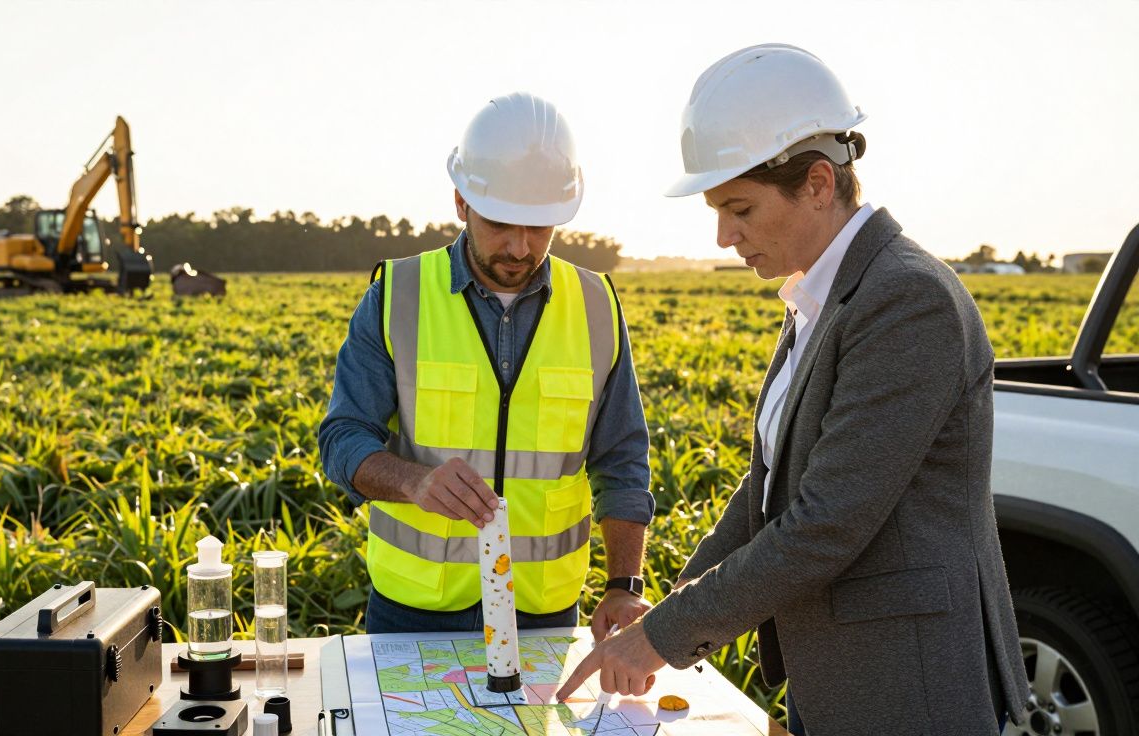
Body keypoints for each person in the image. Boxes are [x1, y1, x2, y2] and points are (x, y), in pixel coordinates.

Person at [556, 45, 1030, 735]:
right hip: (841, 676)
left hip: (906, 686)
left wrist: (661, 637)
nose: (724, 236)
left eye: (740, 209)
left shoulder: (906, 299)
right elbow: (768, 487)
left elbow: (825, 522)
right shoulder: (821, 294)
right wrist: (669, 607)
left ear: (816, 184)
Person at [319, 92, 653, 638]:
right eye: (501, 222)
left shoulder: (596, 305)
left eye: (540, 227)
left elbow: (622, 459)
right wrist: (414, 482)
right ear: (461, 202)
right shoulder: (396, 295)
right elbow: (342, 438)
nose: (520, 248)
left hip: (543, 613)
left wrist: (623, 586)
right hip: (412, 612)